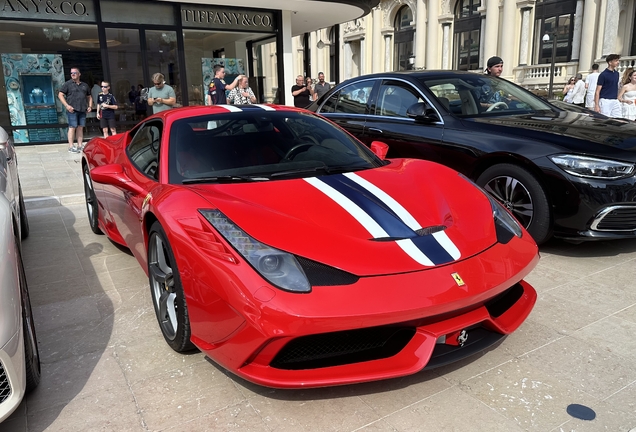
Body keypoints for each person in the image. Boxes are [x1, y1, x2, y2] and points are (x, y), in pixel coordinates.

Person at [58, 67, 92, 153]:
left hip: (82, 109)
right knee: (72, 127)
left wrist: (90, 106)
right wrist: (67, 105)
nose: (72, 74)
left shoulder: (85, 85)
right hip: (72, 110)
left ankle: (80, 145)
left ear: (79, 74)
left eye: (74, 73)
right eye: (71, 73)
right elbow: (60, 95)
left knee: (80, 127)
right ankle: (71, 146)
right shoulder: (67, 84)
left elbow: (89, 96)